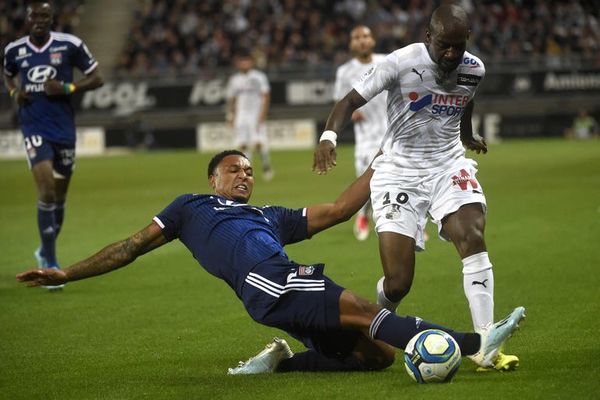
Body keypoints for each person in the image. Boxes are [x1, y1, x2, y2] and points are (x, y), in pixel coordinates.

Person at [17, 150, 525, 374]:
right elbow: (129, 247)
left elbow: (340, 210)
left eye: (248, 171)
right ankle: (475, 342)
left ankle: (280, 364)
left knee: (376, 357)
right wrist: (67, 271)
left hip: (275, 288)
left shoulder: (267, 216)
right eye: (233, 170)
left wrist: (384, 161)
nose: (244, 176)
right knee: (363, 309)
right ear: (213, 179)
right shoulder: (189, 208)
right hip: (267, 280)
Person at [313, 4, 519, 371]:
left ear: (467, 41)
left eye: (459, 46)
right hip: (397, 171)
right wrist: (329, 138)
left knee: (471, 236)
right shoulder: (400, 62)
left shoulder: (474, 69)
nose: (452, 54)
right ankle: (380, 318)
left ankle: (485, 343)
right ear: (429, 37)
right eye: (444, 46)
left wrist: (467, 136)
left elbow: (465, 101)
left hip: (447, 165)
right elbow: (349, 101)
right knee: (398, 282)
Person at [3, 1, 103, 290]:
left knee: (58, 197)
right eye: (35, 15)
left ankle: (44, 248)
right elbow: (7, 72)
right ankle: (51, 262)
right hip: (33, 126)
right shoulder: (14, 50)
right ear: (28, 17)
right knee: (45, 188)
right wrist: (13, 91)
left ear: (52, 19)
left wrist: (69, 88)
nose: (39, 20)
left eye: (45, 16)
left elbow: (98, 78)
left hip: (63, 129)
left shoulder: (70, 45)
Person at [333, 25, 388, 241]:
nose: (362, 41)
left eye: (366, 36)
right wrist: (351, 112)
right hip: (366, 139)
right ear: (351, 44)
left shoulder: (387, 61)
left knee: (402, 178)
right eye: (357, 38)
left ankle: (412, 224)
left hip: (392, 134)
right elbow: (340, 102)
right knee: (365, 184)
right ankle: (364, 214)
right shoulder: (345, 72)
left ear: (373, 40)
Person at [225, 49, 273, 181]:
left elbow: (266, 95)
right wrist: (231, 116)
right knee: (243, 144)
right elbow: (232, 99)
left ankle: (266, 166)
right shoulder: (234, 80)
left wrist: (263, 114)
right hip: (241, 116)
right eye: (242, 62)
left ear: (251, 63)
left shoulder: (259, 77)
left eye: (247, 61)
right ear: (238, 64)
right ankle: (247, 170)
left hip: (255, 115)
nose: (244, 64)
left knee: (258, 143)